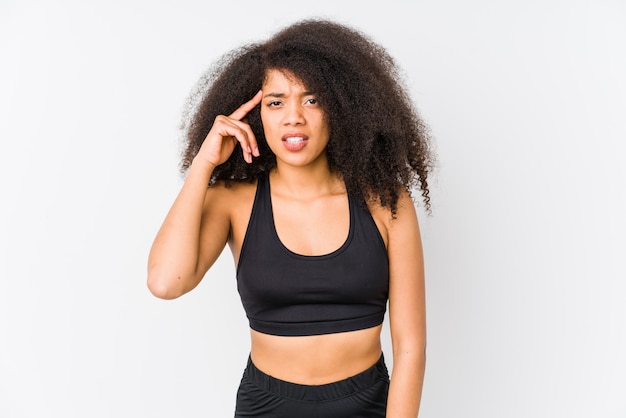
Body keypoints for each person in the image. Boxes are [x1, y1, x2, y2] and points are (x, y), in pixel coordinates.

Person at [148, 18, 433, 417]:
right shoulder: (233, 202)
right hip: (266, 406)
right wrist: (204, 164)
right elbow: (165, 282)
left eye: (312, 99)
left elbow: (410, 348)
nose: (293, 117)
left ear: (342, 107)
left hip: (366, 404)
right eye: (276, 101)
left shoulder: (385, 201)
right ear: (255, 114)